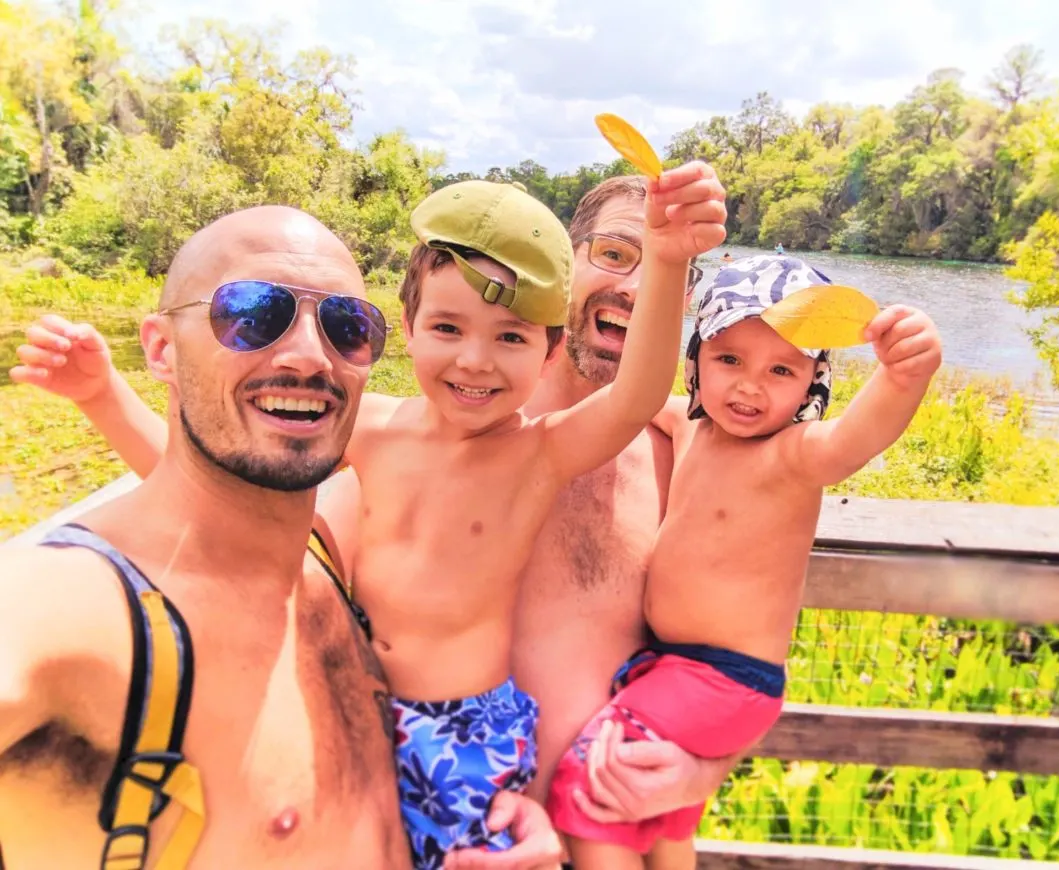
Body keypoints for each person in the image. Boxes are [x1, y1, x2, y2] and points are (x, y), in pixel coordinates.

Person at [10, 167, 728, 867]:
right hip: (376, 722)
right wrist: (103, 398)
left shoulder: (534, 456)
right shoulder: (372, 427)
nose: (475, 361)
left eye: (510, 338)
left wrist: (667, 265)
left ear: (545, 354)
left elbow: (635, 395)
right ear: (407, 330)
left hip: (462, 729)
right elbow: (215, 468)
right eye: (449, 328)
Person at [546, 255, 942, 868]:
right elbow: (629, 397)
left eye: (781, 369)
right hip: (677, 669)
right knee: (663, 814)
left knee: (597, 781)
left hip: (725, 677)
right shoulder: (687, 427)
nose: (749, 387)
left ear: (813, 382)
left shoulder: (795, 456)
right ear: (698, 357)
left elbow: (859, 435)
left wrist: (903, 375)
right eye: (729, 359)